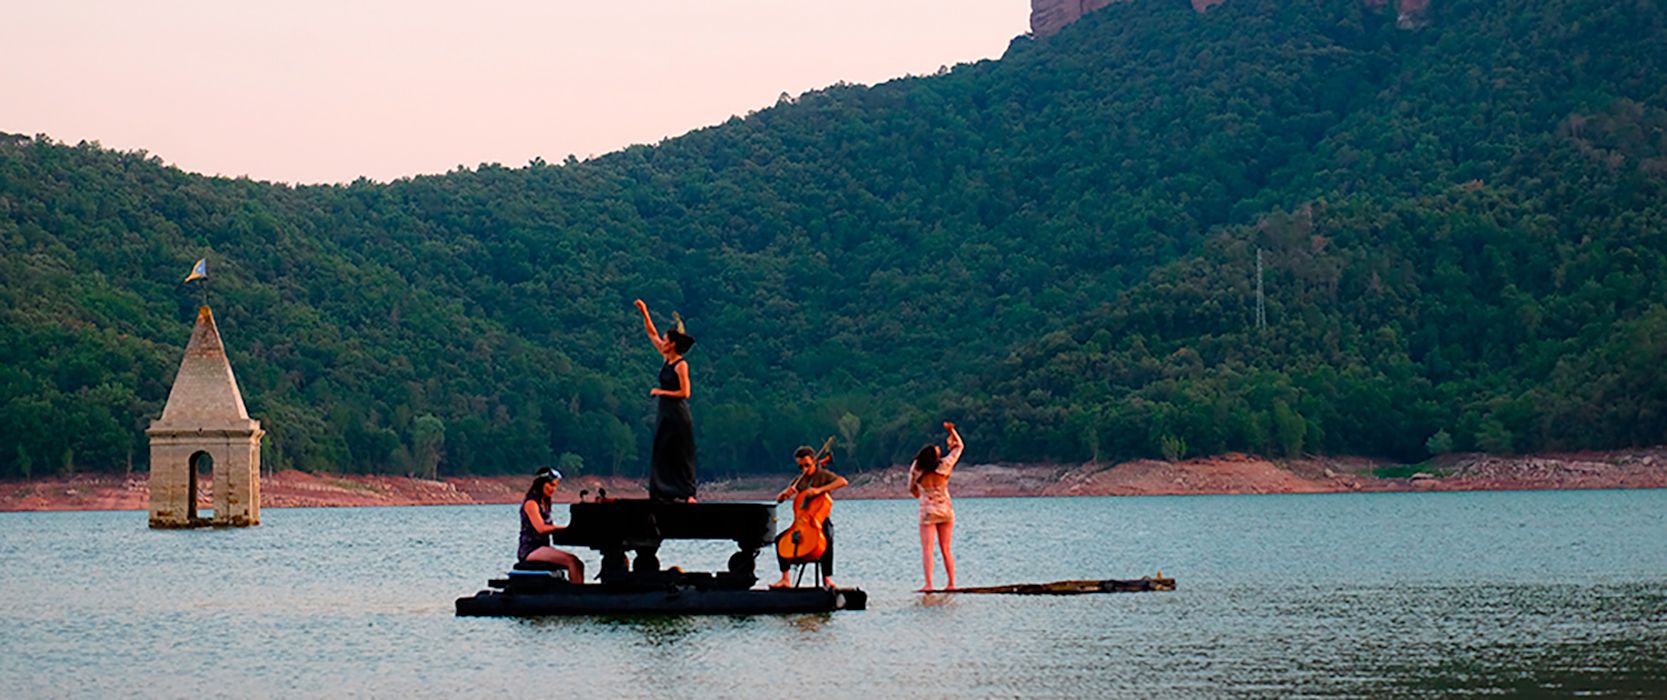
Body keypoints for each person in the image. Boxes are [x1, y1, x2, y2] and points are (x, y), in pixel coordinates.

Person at [634, 299, 697, 502]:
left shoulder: (681, 365)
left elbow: (685, 392)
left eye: (666, 339)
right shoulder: (665, 357)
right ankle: (663, 493)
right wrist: (644, 312)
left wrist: (662, 392)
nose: (662, 341)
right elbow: (651, 333)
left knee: (681, 453)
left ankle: (687, 493)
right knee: (662, 450)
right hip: (665, 412)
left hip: (678, 412)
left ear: (673, 344)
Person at [770, 446, 848, 589]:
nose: (804, 469)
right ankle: (785, 578)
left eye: (807, 465)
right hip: (802, 521)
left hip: (820, 519)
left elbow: (843, 481)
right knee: (780, 539)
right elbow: (779, 499)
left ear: (814, 462)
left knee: (827, 538)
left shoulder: (822, 475)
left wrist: (819, 490)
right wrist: (784, 494)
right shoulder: (799, 480)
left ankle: (826, 578)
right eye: (800, 466)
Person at [910, 422, 964, 591]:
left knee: (927, 550)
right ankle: (951, 583)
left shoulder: (917, 468)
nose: (939, 449)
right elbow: (959, 447)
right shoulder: (944, 466)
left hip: (927, 511)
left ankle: (928, 584)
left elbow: (912, 489)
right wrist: (952, 431)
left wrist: (919, 493)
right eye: (937, 450)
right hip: (945, 509)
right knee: (946, 548)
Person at [518, 467, 585, 583]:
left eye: (555, 486)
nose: (553, 489)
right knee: (572, 561)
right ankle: (576, 592)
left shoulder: (545, 503)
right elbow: (541, 528)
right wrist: (565, 528)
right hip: (531, 549)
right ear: (541, 484)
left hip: (542, 547)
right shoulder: (531, 503)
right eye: (551, 485)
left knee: (578, 563)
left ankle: (576, 588)